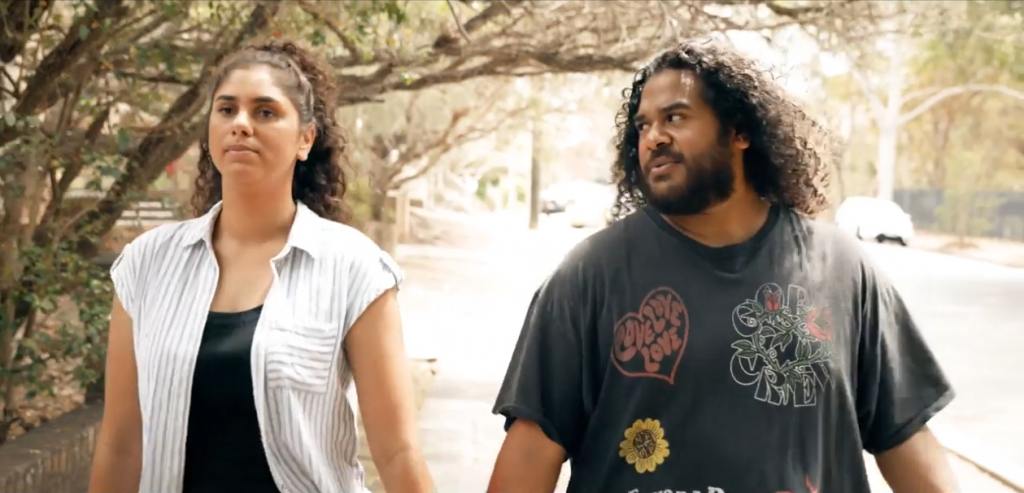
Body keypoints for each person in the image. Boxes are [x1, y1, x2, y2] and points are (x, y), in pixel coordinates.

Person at [488, 39, 957, 493]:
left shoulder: (842, 270)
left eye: (675, 117)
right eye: (643, 126)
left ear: (740, 131)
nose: (654, 137)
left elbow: (905, 437)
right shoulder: (589, 276)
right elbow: (531, 453)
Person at [88, 40, 434, 493]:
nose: (241, 125)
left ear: (305, 139)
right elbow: (121, 444)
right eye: (226, 110)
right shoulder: (147, 264)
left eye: (265, 112)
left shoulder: (354, 269)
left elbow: (397, 453)